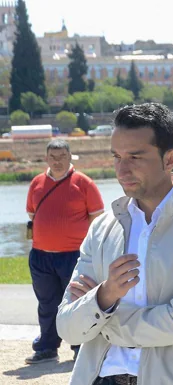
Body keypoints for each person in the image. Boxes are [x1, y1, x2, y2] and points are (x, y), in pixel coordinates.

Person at [56, 103, 173, 385]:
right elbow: (67, 327)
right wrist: (104, 295)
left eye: (135, 157)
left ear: (171, 158)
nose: (122, 169)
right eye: (116, 157)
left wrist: (102, 317)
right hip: (98, 377)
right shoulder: (103, 227)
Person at [25, 138, 104, 364]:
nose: (57, 161)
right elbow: (32, 215)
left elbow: (97, 219)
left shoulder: (84, 183)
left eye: (62, 157)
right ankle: (47, 348)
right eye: (53, 157)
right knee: (47, 302)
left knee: (77, 302)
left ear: (70, 157)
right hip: (41, 255)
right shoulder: (36, 183)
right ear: (46, 159)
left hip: (74, 256)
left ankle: (80, 347)